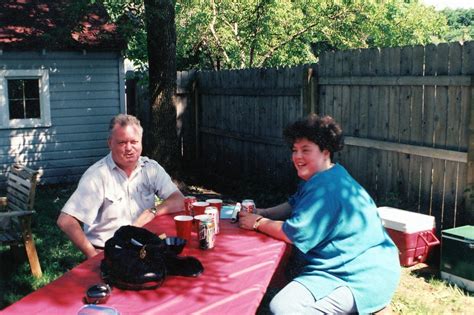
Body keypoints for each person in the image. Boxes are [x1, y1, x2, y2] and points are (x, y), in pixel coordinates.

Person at [239, 114, 400, 314]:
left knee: (284, 310)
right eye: (294, 150)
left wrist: (258, 222)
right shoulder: (327, 174)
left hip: (362, 277)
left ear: (325, 152)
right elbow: (293, 203)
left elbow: (293, 234)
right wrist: (263, 212)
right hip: (336, 267)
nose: (297, 156)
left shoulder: (327, 187)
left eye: (305, 150)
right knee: (280, 303)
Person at [57, 114, 184, 259]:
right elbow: (66, 220)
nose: (129, 148)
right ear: (110, 143)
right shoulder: (97, 176)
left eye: (134, 141)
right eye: (122, 143)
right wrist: (92, 256)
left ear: (141, 142)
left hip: (145, 249)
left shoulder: (151, 168)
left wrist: (152, 211)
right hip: (110, 252)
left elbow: (179, 200)